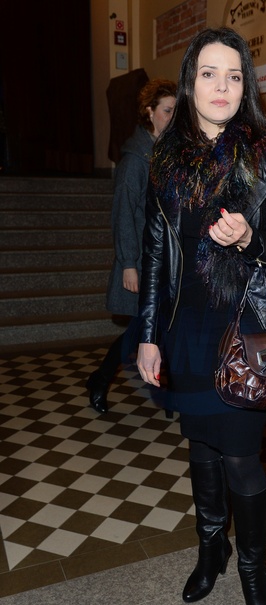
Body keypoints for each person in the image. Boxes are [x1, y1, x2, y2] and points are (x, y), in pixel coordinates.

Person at [136, 27, 266, 605]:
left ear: (246, 87)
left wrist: (251, 239)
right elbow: (156, 253)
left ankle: (253, 573)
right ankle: (211, 548)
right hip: (186, 329)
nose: (222, 86)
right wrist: (148, 333)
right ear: (189, 83)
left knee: (240, 457)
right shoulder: (167, 157)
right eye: (208, 73)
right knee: (201, 447)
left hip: (250, 329)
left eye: (234, 76)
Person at [86, 78, 177, 414]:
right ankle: (101, 378)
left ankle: (166, 391)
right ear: (149, 112)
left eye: (176, 111)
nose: (172, 117)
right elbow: (123, 213)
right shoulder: (135, 159)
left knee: (160, 327)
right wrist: (128, 263)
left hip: (163, 258)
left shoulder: (165, 154)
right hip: (140, 260)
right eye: (167, 110)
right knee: (141, 328)